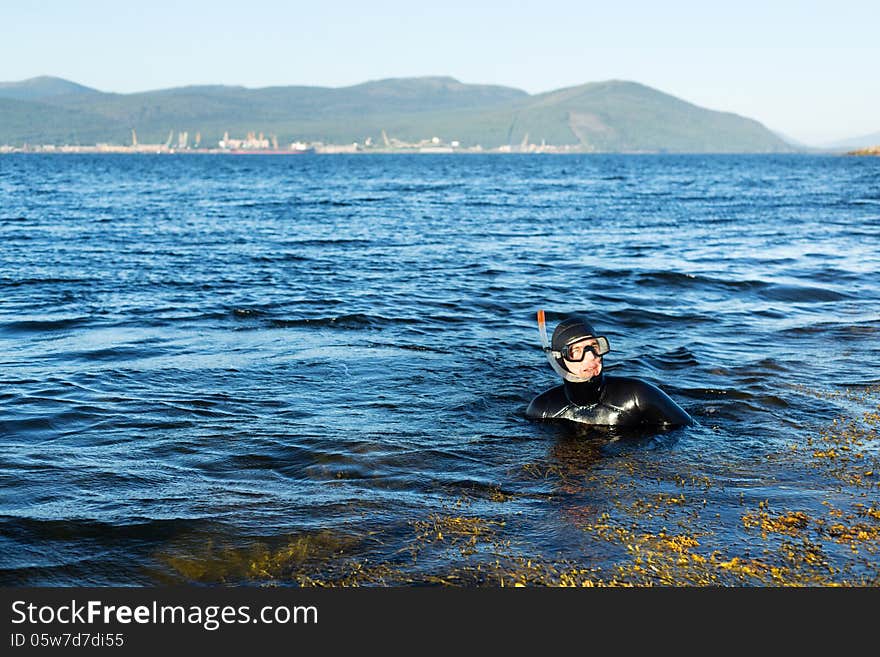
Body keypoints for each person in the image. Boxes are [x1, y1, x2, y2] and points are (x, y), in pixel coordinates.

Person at [526, 310, 693, 428]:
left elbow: (690, 433)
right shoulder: (542, 409)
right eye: (576, 351)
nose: (591, 357)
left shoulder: (639, 395)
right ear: (558, 361)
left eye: (594, 347)